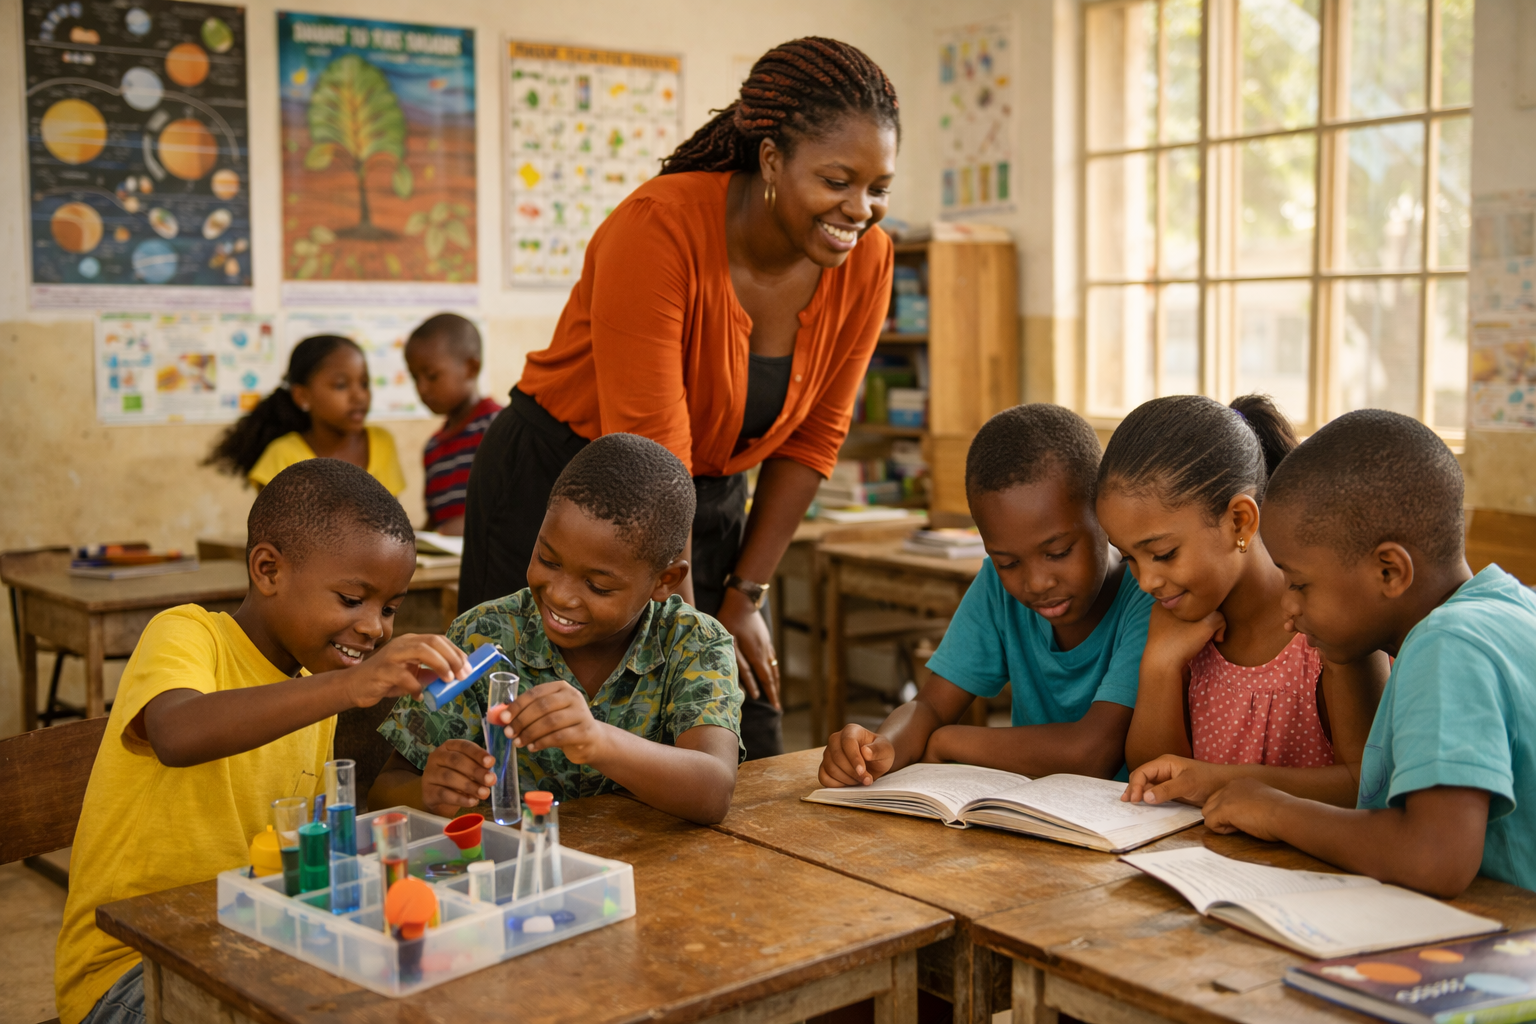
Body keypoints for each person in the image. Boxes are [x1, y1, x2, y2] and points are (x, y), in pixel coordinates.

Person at [458, 38, 901, 760]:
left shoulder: (867, 260)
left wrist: (743, 599)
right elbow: (653, 450)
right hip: (564, 494)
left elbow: (814, 437)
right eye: (837, 181)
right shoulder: (657, 227)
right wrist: (692, 646)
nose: (861, 210)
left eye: (879, 187)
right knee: (534, 740)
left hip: (705, 502)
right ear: (769, 160)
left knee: (737, 743)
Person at [54, 460, 468, 1024]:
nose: (376, 627)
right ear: (268, 569)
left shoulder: (314, 691)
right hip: (131, 968)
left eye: (389, 608)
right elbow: (178, 733)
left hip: (249, 946)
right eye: (352, 599)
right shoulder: (188, 634)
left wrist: (427, 791)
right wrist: (349, 685)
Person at [1201, 411, 1536, 897]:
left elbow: (1434, 858)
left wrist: (1275, 811)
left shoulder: (1448, 646)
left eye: (1299, 583)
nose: (1287, 608)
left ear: (1390, 572)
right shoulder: (1512, 606)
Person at [370, 434, 744, 825]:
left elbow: (713, 791)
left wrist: (598, 741)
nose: (562, 596)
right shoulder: (482, 635)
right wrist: (430, 792)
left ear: (664, 581)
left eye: (598, 586)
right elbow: (385, 792)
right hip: (520, 873)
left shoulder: (694, 643)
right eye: (548, 560)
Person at [819, 405, 1155, 787]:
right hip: (1036, 816)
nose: (1036, 582)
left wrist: (949, 742)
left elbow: (1093, 753)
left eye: (1058, 552)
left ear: (1103, 515)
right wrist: (880, 749)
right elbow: (929, 705)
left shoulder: (1147, 595)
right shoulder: (997, 590)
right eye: (1008, 562)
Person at [1095, 395, 1387, 810]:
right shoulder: (1176, 622)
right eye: (1129, 558)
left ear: (1240, 521)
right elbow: (1156, 780)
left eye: (1162, 554)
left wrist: (1220, 781)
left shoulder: (1329, 626)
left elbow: (1368, 787)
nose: (1147, 581)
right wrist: (1160, 666)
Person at [206, 334, 406, 496]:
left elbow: (393, 525)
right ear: (302, 396)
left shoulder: (381, 442)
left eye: (364, 383)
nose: (360, 396)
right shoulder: (282, 455)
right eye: (341, 385)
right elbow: (277, 534)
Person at [404, 313, 502, 536]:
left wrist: (464, 526)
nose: (422, 388)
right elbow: (436, 519)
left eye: (431, 376)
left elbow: (518, 505)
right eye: (414, 378)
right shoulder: (433, 448)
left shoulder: (499, 428)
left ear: (471, 368)